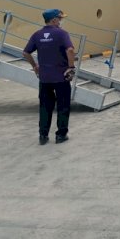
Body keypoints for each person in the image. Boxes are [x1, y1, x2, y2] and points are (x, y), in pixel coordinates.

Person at [22, 9, 75, 145]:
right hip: (61, 77)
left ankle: (43, 135)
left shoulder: (37, 35)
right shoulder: (62, 34)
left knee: (45, 107)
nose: (61, 22)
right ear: (54, 20)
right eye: (60, 19)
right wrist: (71, 67)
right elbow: (70, 50)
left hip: (44, 78)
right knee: (63, 106)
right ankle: (61, 135)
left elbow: (26, 52)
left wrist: (35, 66)